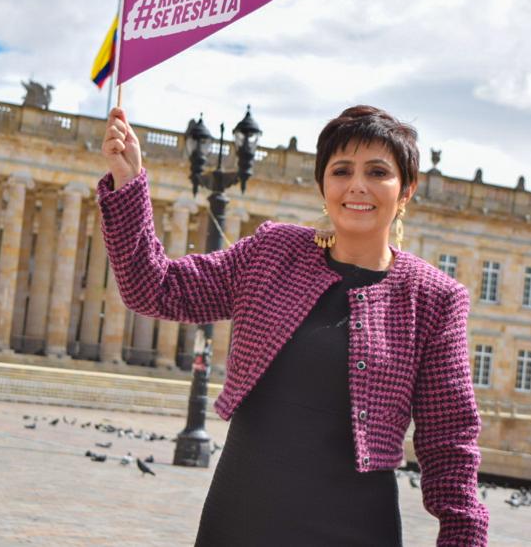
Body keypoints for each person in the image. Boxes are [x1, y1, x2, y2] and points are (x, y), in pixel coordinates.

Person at [99, 105, 488, 546]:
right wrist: (129, 185)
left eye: (378, 172)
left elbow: (449, 443)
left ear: (406, 191)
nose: (357, 185)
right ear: (323, 187)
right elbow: (156, 288)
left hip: (355, 528)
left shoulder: (433, 299)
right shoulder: (272, 253)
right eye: (342, 171)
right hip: (243, 516)